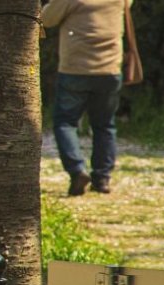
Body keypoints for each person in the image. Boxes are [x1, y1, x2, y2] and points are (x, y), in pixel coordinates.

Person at [43, 0, 132, 196]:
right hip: (109, 69)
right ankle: (102, 178)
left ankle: (77, 170)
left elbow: (46, 19)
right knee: (105, 125)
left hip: (75, 69)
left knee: (65, 123)